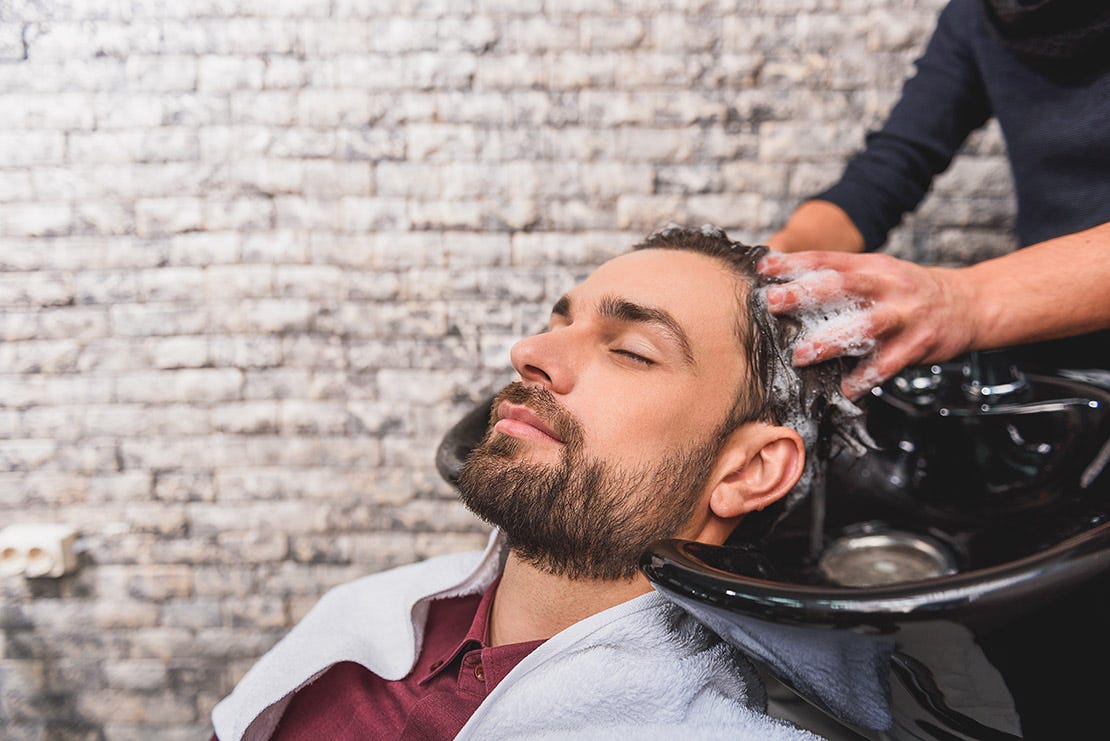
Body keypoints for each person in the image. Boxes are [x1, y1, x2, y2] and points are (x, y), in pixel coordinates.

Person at [209, 224, 865, 741]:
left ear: (747, 470)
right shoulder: (362, 619)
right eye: (557, 324)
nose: (530, 352)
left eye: (631, 350)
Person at [763, 0, 1110, 400]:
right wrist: (779, 260)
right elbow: (892, 167)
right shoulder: (978, 16)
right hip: (1056, 358)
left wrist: (962, 300)